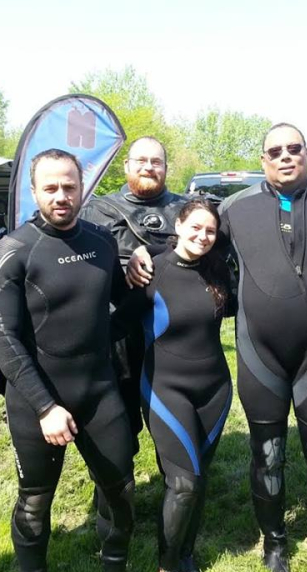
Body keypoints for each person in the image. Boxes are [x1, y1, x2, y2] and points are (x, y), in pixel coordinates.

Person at [129, 123, 307, 572]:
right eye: (274, 151)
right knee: (267, 455)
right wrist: (137, 256)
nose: (285, 156)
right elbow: (192, 244)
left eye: (294, 148)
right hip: (259, 356)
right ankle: (274, 545)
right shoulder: (235, 208)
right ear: (263, 159)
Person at [0, 149, 148, 572]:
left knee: (121, 489)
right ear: (34, 191)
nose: (61, 196)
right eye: (50, 187)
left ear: (82, 188)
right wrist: (45, 405)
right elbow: (3, 338)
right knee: (35, 500)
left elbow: (120, 307)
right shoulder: (12, 251)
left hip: (98, 390)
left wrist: (135, 277)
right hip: (37, 401)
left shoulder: (101, 241)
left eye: (69, 186)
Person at [112, 198, 234, 572]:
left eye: (210, 231)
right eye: (195, 227)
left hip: (215, 389)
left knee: (199, 476)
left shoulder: (218, 270)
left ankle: (186, 550)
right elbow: (113, 326)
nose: (202, 236)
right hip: (166, 389)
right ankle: (168, 563)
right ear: (178, 226)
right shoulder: (151, 272)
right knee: (184, 482)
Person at [80, 136, 186, 449]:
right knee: (119, 429)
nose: (148, 167)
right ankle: (116, 494)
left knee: (174, 425)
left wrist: (150, 249)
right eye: (141, 160)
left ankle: (177, 487)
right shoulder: (96, 211)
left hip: (173, 333)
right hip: (118, 335)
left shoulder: (185, 209)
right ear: (127, 165)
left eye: (156, 162)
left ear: (166, 168)